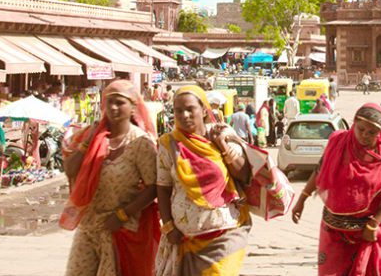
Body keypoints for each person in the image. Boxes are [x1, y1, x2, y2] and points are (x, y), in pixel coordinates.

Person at [291, 103, 381, 276]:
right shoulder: (337, 141)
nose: (365, 136)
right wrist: (302, 200)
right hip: (333, 230)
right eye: (361, 129)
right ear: (354, 124)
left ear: (380, 132)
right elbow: (319, 170)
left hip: (367, 232)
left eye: (371, 133)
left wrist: (374, 223)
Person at [61, 80, 159, 276]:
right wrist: (88, 142)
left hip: (121, 226)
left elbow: (154, 187)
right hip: (89, 225)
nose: (113, 107)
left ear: (133, 107)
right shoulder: (92, 135)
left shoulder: (141, 143)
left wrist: (122, 215)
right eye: (109, 102)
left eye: (120, 103)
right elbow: (70, 170)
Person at [155, 85, 253, 276]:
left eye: (190, 109)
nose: (184, 115)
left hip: (225, 233)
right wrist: (168, 226)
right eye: (178, 111)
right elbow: (163, 188)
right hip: (185, 238)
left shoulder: (220, 133)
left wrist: (222, 146)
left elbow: (244, 174)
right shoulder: (168, 144)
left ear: (203, 109)